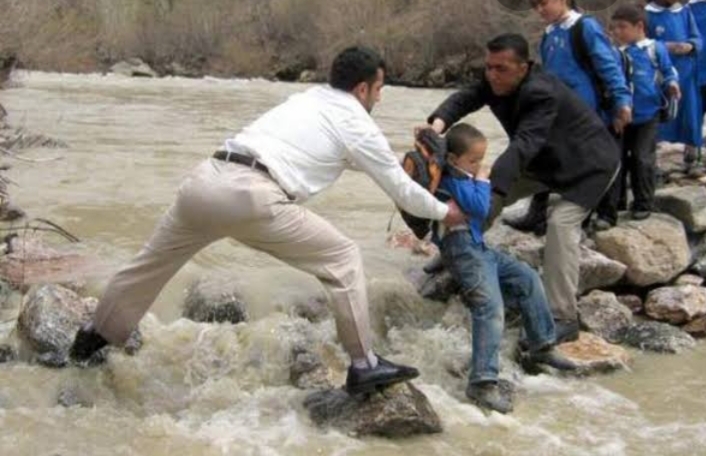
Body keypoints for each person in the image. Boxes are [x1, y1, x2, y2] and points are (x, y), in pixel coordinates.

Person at [68, 46, 466, 395]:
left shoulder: (307, 100)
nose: (379, 97)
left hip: (205, 180)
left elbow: (367, 162)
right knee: (343, 256)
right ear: (363, 88)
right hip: (251, 197)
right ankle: (364, 364)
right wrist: (445, 212)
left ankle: (93, 339)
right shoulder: (357, 122)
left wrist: (402, 163)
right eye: (379, 89)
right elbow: (399, 188)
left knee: (148, 265)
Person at [427, 33, 621, 343]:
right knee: (479, 193)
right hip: (545, 160)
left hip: (589, 165)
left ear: (524, 67)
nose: (492, 75)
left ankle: (563, 317)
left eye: (501, 69)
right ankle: (456, 248)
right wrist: (436, 125)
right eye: (489, 67)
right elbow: (464, 98)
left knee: (560, 224)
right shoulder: (494, 80)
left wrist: (494, 190)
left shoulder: (542, 92)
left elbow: (523, 144)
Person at [434, 123, 576, 414]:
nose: (478, 166)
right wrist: (483, 180)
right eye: (473, 161)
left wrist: (477, 177)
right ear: (452, 159)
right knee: (489, 307)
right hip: (462, 251)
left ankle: (541, 345)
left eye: (481, 160)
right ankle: (482, 382)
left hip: (477, 247)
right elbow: (481, 208)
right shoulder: (453, 180)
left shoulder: (463, 176)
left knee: (527, 278)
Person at [506, 0, 633, 233]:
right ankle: (537, 213)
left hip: (586, 110)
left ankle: (602, 215)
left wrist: (622, 101)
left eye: (543, 3)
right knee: (546, 156)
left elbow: (608, 66)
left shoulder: (585, 27)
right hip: (557, 110)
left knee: (592, 161)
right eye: (535, 5)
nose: (539, 10)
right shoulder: (549, 33)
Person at [611, 4, 680, 220]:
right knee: (618, 158)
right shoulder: (617, 53)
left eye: (622, 27)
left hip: (648, 115)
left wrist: (672, 84)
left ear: (639, 26)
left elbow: (668, 71)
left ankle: (644, 202)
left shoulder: (654, 49)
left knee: (642, 158)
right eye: (614, 28)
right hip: (623, 117)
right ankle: (617, 201)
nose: (617, 32)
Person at [645, 0, 704, 169]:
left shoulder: (684, 12)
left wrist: (690, 45)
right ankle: (654, 162)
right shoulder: (648, 15)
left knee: (690, 113)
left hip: (686, 72)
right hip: (660, 74)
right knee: (660, 113)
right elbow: (643, 42)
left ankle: (691, 154)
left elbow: (697, 38)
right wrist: (665, 46)